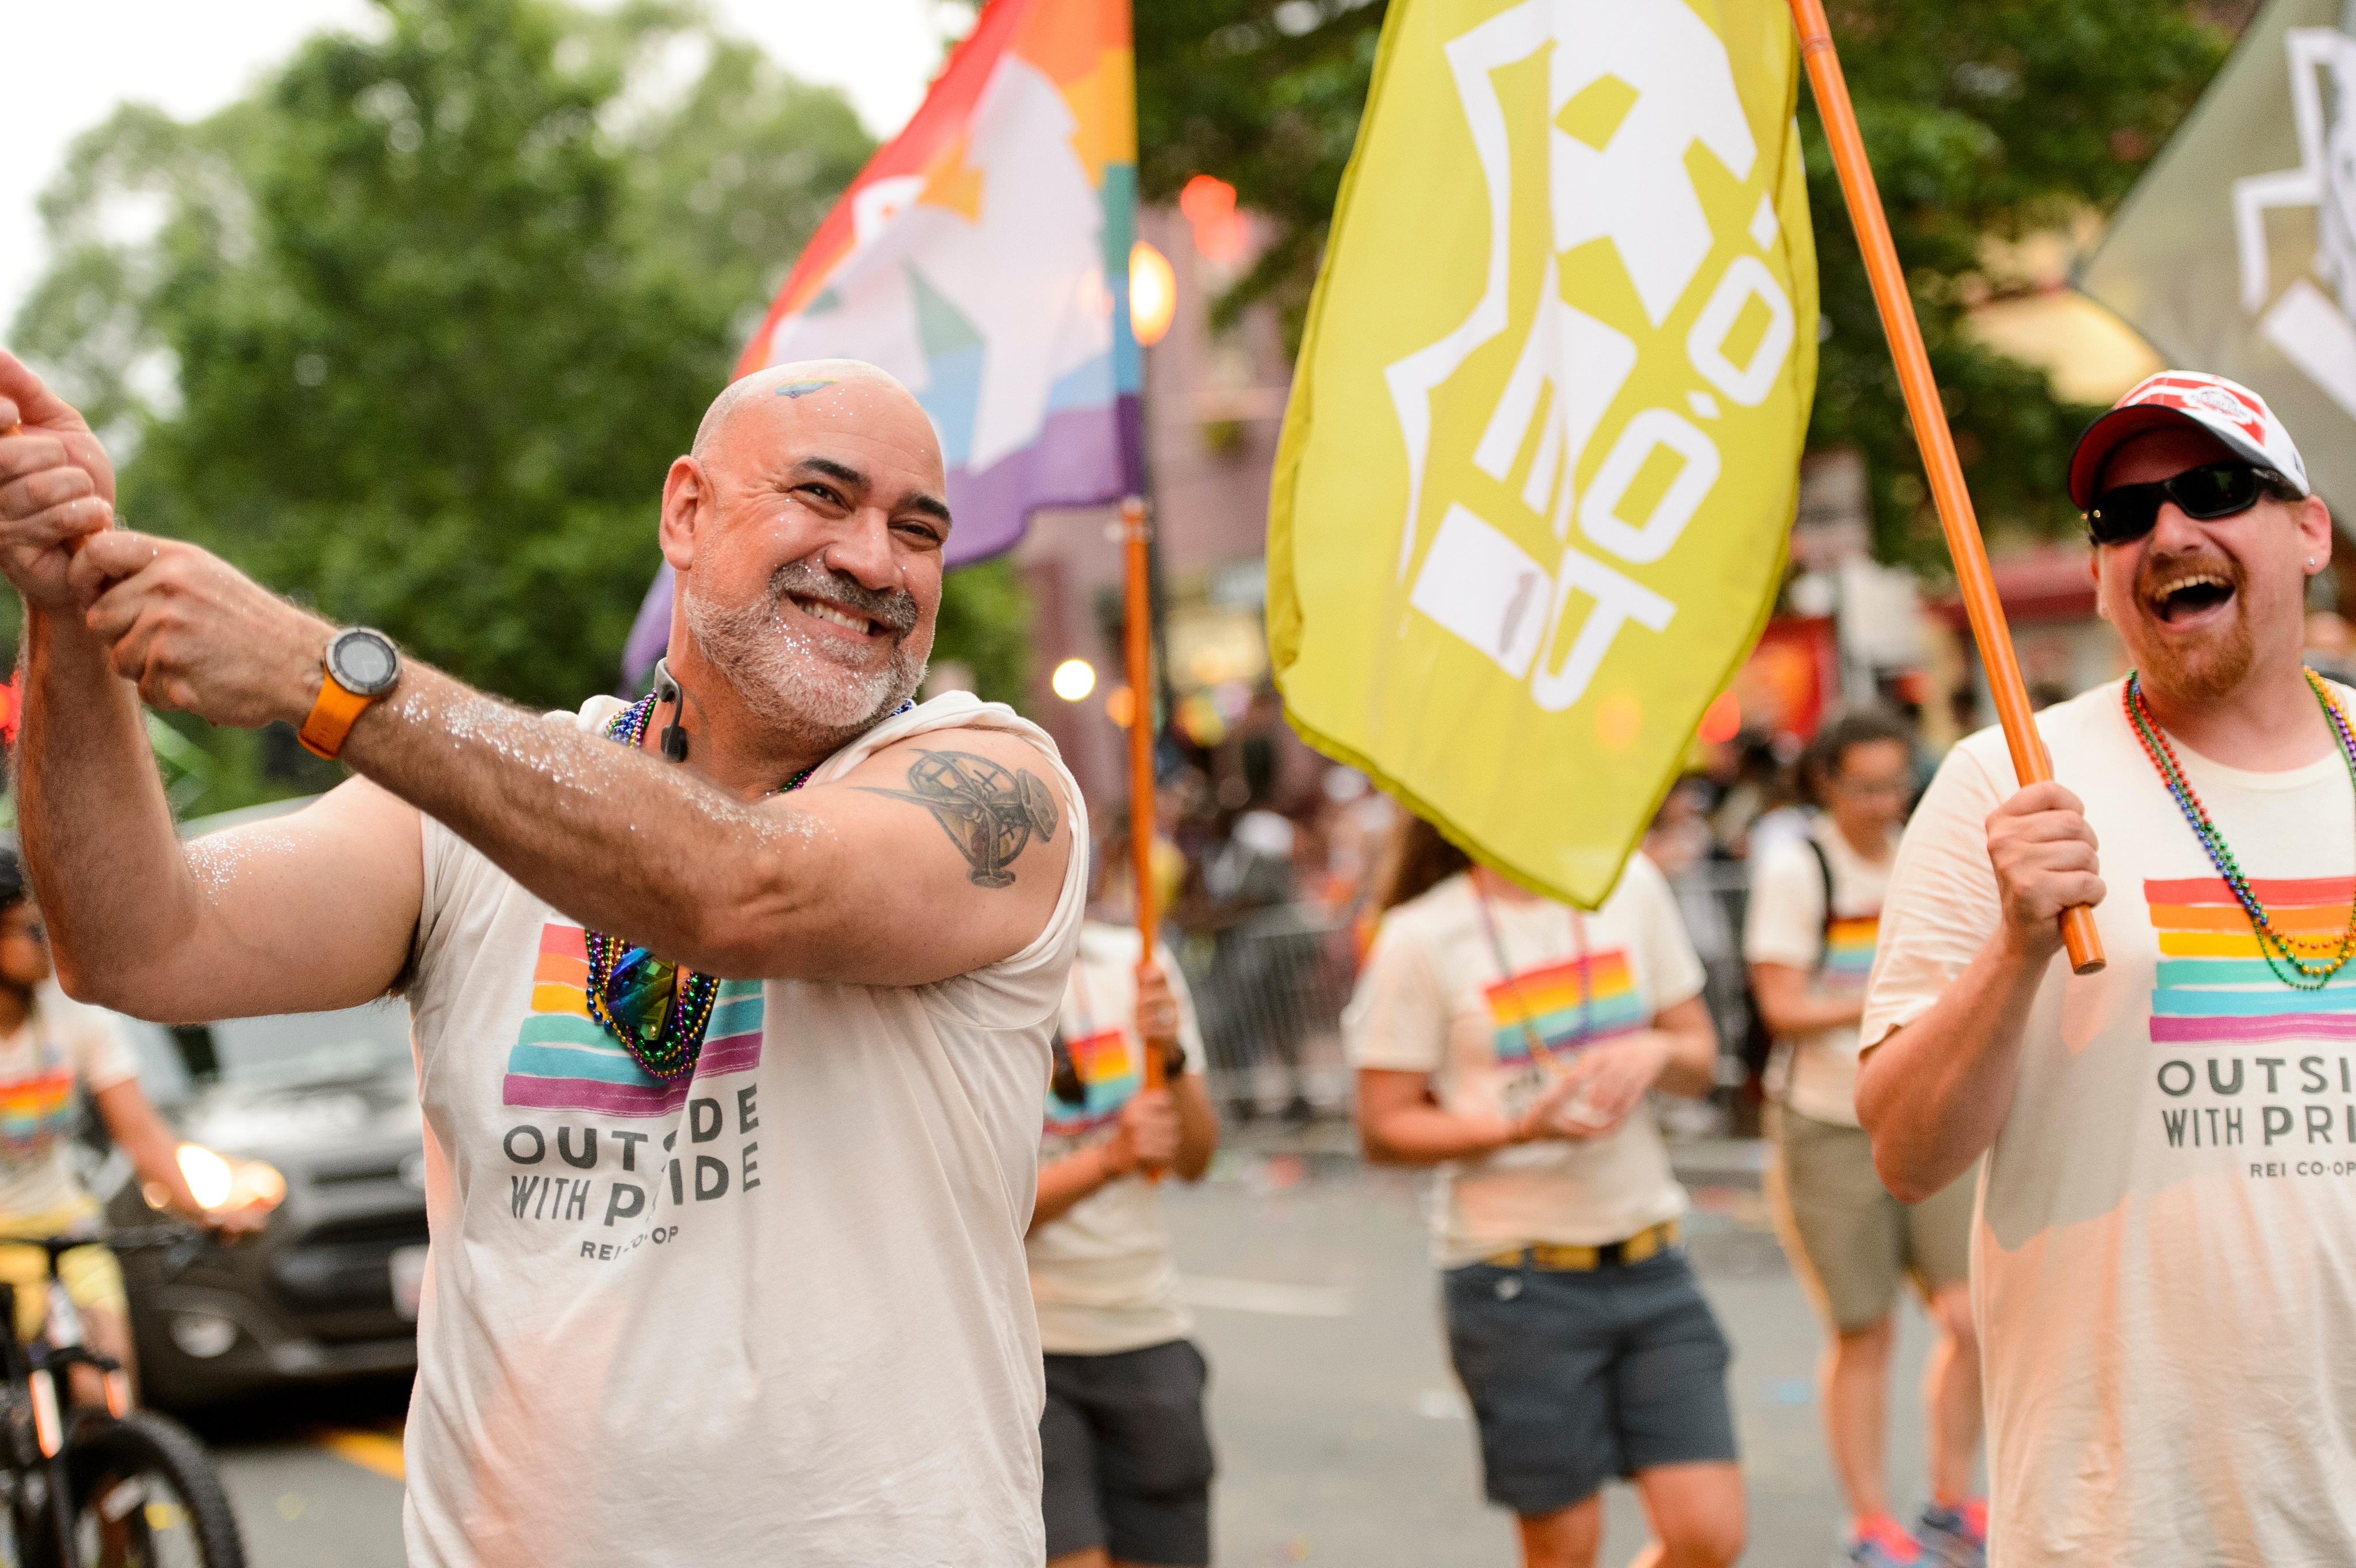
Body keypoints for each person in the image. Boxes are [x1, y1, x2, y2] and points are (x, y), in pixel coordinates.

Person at [0, 349, 1086, 1566]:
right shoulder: (477, 815)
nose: (875, 561)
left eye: (919, 530)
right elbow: (135, 945)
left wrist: (334, 681)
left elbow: (745, 885)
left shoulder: (993, 784)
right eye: (823, 497)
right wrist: (66, 615)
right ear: (686, 510)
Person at [1856, 370, 2356, 1563]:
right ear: (2095, 575)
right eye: (2120, 519)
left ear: (2305, 530)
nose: (2165, 532)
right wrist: (2016, 948)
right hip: (2126, 1524)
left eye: (2214, 489)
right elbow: (1905, 1153)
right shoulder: (2003, 783)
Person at [1348, 816, 1743, 1568]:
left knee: (1709, 1534)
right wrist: (1515, 1127)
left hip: (1651, 1258)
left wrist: (1656, 1049)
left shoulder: (1627, 883)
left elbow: (1699, 1055)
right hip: (1514, 1280)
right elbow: (1383, 1126)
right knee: (1565, 1551)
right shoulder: (1422, 933)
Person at [1745, 712, 1983, 1567]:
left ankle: (1954, 1498)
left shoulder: (1924, 849)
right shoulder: (1798, 866)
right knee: (1865, 1328)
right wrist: (1891, 994)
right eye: (1867, 786)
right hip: (1828, 1121)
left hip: (1929, 1107)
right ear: (1825, 785)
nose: (1885, 802)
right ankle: (1870, 1519)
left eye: (1896, 783)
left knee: (1972, 1312)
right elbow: (1782, 1006)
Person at [0, 846, 263, 1403]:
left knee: (108, 1395)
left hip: (66, 1229)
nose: (51, 941)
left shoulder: (75, 1014)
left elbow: (140, 1131)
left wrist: (204, 1209)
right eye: (31, 929)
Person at [1029, 889, 1220, 1568]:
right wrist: (1108, 1159)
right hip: (1029, 1350)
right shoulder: (966, 980)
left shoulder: (1136, 962)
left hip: (1147, 1328)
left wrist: (1168, 1054)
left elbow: (1195, 1157)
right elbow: (978, 1208)